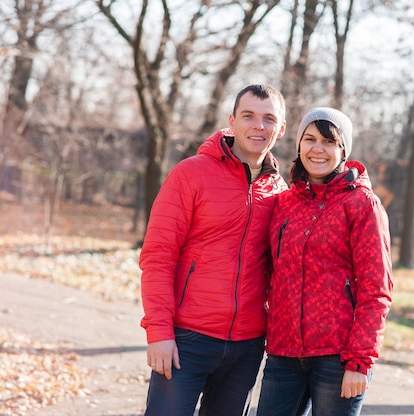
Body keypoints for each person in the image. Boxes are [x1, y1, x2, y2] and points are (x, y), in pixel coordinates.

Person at [139, 84, 288, 416]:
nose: (258, 127)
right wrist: (159, 332)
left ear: (280, 129)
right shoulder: (191, 174)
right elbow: (158, 256)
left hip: (247, 347)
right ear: (232, 121)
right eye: (248, 116)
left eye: (268, 119)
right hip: (186, 339)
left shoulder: (280, 192)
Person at [257, 107, 394, 416]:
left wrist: (360, 361)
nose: (317, 149)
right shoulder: (284, 202)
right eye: (309, 139)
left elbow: (377, 290)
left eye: (329, 141)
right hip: (283, 351)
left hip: (338, 356)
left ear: (343, 150)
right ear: (298, 145)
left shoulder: (361, 204)